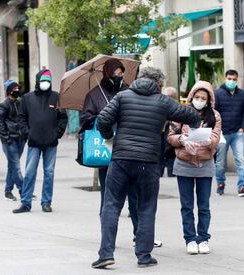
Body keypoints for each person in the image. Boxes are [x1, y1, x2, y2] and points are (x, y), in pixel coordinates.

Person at [92, 67, 201, 269]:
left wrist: (109, 137)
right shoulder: (163, 102)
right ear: (159, 84)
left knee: (111, 205)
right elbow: (192, 116)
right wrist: (191, 132)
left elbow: (103, 120)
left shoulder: (122, 97)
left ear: (138, 79)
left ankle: (106, 254)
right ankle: (143, 256)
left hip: (121, 159)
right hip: (148, 163)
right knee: (147, 207)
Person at [168, 81, 221, 255]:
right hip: (184, 163)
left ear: (209, 100)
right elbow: (171, 136)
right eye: (197, 97)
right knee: (187, 205)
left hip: (205, 163)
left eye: (203, 98)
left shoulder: (214, 115)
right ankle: (190, 239)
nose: (200, 100)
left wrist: (209, 141)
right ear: (191, 97)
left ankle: (203, 238)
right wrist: (182, 140)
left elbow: (216, 136)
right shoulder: (180, 113)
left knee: (204, 205)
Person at [13, 69, 68, 213]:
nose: (46, 83)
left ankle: (46, 202)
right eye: (43, 80)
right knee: (30, 172)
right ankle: (26, 202)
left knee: (49, 173)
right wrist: (28, 133)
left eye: (48, 81)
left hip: (51, 142)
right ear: (38, 81)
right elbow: (21, 117)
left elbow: (63, 117)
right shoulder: (28, 98)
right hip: (34, 142)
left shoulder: (57, 97)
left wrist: (57, 134)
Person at [80, 58, 127, 214]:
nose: (119, 76)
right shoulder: (94, 94)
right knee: (108, 191)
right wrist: (104, 117)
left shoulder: (128, 91)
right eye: (115, 73)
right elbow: (85, 119)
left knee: (130, 189)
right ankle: (106, 221)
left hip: (127, 147)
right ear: (107, 73)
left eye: (121, 73)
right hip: (105, 148)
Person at [214, 69, 244, 197]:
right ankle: (220, 183)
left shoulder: (242, 94)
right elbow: (214, 113)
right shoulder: (218, 93)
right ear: (225, 79)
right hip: (222, 133)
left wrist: (243, 128)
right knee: (220, 162)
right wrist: (217, 130)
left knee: (241, 161)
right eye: (229, 79)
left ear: (237, 80)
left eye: (234, 79)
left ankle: (242, 187)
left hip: (238, 133)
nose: (232, 81)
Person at [0, 80, 27, 200]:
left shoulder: (20, 103)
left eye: (18, 88)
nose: (17, 91)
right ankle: (23, 190)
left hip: (20, 139)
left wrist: (25, 134)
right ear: (9, 91)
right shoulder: (3, 105)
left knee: (12, 166)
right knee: (16, 166)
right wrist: (7, 138)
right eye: (14, 89)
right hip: (10, 140)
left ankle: (8, 191)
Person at [160, 86, 178, 177]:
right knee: (163, 151)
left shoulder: (176, 106)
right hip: (162, 132)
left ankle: (170, 171)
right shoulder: (161, 105)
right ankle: (163, 171)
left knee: (169, 151)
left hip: (170, 132)